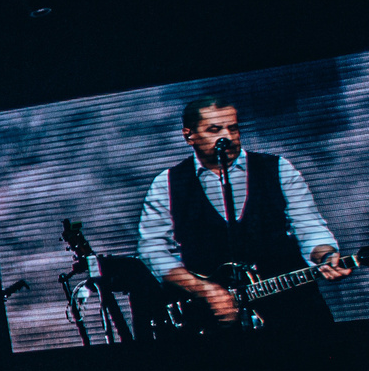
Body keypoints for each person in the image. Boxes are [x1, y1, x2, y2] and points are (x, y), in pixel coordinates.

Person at [136, 97, 349, 331]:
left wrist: (326, 256)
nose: (227, 136)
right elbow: (152, 250)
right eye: (214, 129)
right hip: (216, 321)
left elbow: (309, 227)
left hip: (293, 308)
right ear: (189, 135)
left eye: (233, 128)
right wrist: (204, 289)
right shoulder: (166, 183)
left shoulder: (277, 168)